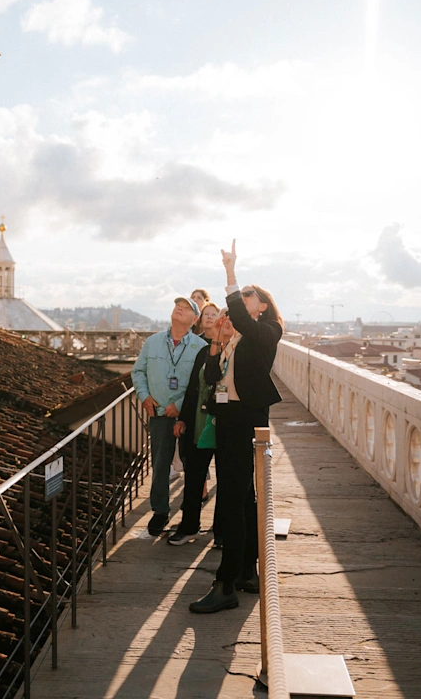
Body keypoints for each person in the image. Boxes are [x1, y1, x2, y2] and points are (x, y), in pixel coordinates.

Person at [189, 240, 283, 614]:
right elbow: (211, 377)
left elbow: (241, 318)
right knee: (243, 500)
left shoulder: (267, 332)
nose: (243, 298)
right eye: (241, 293)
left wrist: (230, 274)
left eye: (249, 295)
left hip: (247, 422)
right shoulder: (236, 339)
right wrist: (216, 344)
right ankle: (246, 570)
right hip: (227, 420)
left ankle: (225, 583)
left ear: (262, 305)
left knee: (231, 498)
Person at [131, 296, 208, 536]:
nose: (179, 309)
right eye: (177, 306)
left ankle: (188, 512)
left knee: (192, 464)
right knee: (160, 463)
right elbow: (138, 371)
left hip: (189, 414)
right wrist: (144, 396)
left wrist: (181, 405)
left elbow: (201, 383)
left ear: (194, 319)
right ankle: (160, 511)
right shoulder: (152, 343)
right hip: (159, 413)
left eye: (185, 309)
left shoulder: (200, 347)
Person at [170, 302, 222, 545]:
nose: (214, 321)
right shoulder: (204, 351)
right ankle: (190, 525)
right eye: (208, 316)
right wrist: (183, 419)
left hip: (224, 426)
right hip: (200, 425)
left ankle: (222, 532)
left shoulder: (235, 350)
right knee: (193, 477)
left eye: (218, 316)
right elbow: (193, 388)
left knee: (226, 480)